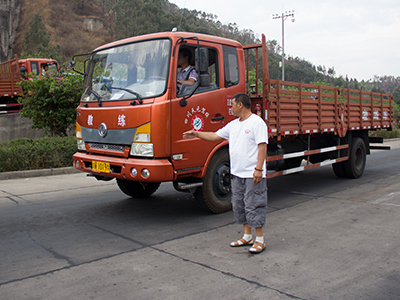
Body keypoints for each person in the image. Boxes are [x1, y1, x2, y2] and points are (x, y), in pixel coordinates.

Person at [183, 93, 268, 254]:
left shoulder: (257, 123)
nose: (231, 107)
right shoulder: (233, 125)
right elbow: (215, 136)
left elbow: (262, 147)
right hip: (237, 173)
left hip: (252, 173)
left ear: (241, 105)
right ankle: (247, 236)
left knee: (254, 204)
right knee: (239, 204)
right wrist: (196, 133)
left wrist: (258, 169)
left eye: (233, 104)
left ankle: (260, 240)